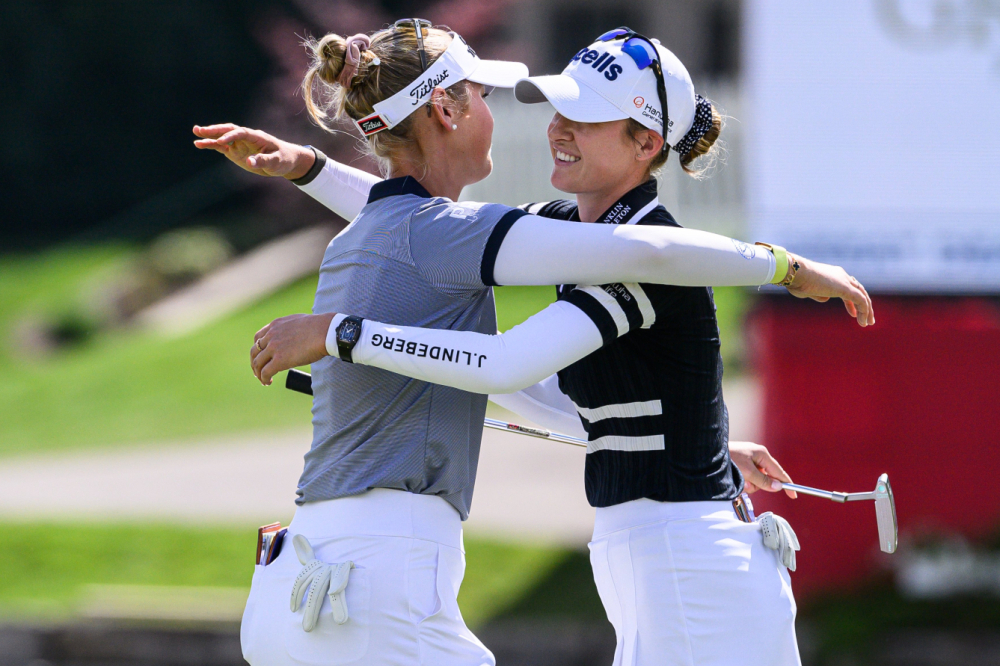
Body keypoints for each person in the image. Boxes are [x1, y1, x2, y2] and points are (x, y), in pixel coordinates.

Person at [196, 22, 872, 666]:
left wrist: (784, 267)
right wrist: (311, 170)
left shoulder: (631, 252)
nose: (557, 127)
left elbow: (515, 342)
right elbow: (411, 225)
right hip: (650, 560)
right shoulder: (564, 232)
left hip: (688, 562)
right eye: (557, 108)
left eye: (584, 116)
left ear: (644, 144)